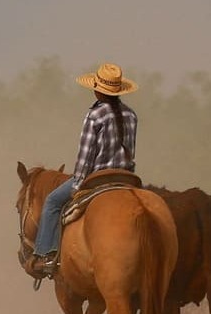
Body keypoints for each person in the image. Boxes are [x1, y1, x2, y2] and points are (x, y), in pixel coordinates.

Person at [32, 62, 139, 279]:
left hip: (97, 178)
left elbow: (85, 156)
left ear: (97, 89)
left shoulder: (95, 115)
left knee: (52, 202)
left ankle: (47, 256)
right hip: (127, 178)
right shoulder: (131, 115)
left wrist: (78, 183)